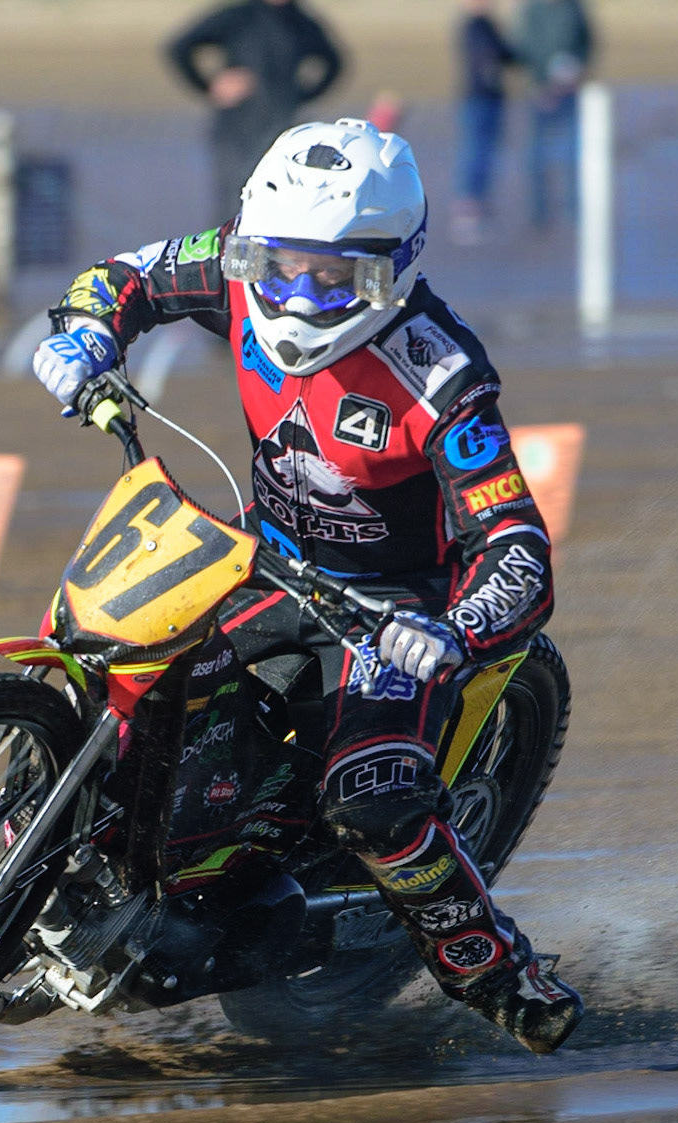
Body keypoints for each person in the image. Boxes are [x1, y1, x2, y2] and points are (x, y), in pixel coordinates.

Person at [29, 119, 584, 1054]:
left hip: (396, 608)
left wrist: (452, 631)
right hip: (266, 558)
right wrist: (86, 333)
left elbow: (520, 552)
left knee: (372, 796)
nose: (296, 295)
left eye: (335, 279)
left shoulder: (442, 376)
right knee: (111, 660)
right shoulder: (236, 276)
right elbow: (124, 274)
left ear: (394, 269)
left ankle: (496, 968)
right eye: (277, 265)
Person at [168, 0, 344, 225]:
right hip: (236, 127)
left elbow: (334, 62)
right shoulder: (238, 16)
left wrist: (301, 95)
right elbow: (179, 47)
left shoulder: (300, 21)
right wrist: (210, 85)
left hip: (281, 128)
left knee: (279, 195)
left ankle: (271, 255)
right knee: (234, 196)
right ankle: (222, 255)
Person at [515, 0, 595, 231]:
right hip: (539, 93)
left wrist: (576, 72)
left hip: (571, 92)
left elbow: (586, 42)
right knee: (537, 154)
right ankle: (539, 212)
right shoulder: (533, 10)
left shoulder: (574, 8)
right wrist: (541, 85)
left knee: (574, 152)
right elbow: (525, 48)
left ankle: (576, 210)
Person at [451, 0, 517, 246]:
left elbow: (507, 54)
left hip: (485, 98)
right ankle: (469, 210)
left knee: (483, 152)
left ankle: (477, 207)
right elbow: (488, 57)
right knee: (477, 152)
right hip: (480, 98)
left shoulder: (486, 24)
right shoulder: (475, 25)